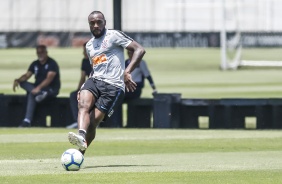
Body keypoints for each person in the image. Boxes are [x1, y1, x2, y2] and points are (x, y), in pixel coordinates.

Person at [68, 10, 146, 154]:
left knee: (92, 123)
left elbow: (139, 50)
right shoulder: (89, 45)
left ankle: (80, 152)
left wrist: (127, 71)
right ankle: (81, 135)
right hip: (95, 80)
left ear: (105, 23)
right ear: (89, 25)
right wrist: (83, 87)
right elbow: (95, 68)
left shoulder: (113, 35)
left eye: (99, 22)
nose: (96, 25)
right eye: (92, 23)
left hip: (114, 86)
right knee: (82, 104)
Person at [105, 50, 157, 127]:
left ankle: (117, 123)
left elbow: (147, 76)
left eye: (131, 53)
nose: (129, 55)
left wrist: (154, 88)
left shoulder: (141, 63)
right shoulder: (125, 62)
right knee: (116, 99)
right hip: (125, 88)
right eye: (128, 53)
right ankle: (116, 122)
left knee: (117, 97)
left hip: (135, 88)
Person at [13, 45, 61, 127]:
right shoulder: (35, 64)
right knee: (23, 83)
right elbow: (27, 75)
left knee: (32, 93)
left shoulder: (52, 63)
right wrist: (18, 80)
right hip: (37, 89)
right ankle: (39, 93)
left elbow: (49, 79)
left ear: (46, 52)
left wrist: (38, 88)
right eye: (38, 52)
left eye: (42, 52)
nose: (40, 54)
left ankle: (27, 121)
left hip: (50, 89)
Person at [66, 43, 92, 129]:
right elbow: (83, 77)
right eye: (83, 50)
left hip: (98, 86)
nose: (84, 53)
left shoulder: (97, 60)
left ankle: (92, 121)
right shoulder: (84, 61)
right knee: (74, 95)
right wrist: (79, 90)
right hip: (90, 86)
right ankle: (77, 121)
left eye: (86, 51)